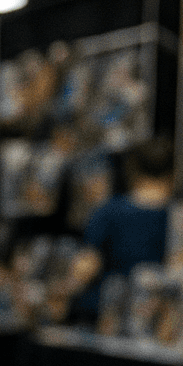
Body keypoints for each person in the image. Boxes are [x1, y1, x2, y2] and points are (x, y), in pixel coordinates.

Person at [58, 137, 173, 325]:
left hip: (110, 320)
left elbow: (87, 264)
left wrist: (64, 289)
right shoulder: (178, 216)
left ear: (132, 169)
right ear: (173, 172)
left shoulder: (109, 211)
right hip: (159, 322)